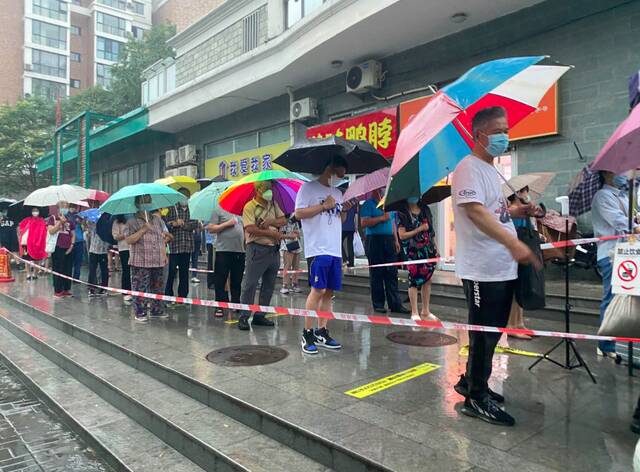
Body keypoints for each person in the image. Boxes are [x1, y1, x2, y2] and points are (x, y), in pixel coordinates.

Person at [450, 106, 539, 427]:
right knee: (483, 333)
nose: (505, 136)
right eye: (499, 130)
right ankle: (476, 397)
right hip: (481, 269)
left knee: (492, 332)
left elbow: (494, 211)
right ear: (480, 135)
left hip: (501, 267)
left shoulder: (490, 169)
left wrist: (518, 213)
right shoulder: (467, 168)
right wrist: (513, 243)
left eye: (506, 129)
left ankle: (473, 382)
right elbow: (474, 212)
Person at [295, 156, 351, 354]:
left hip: (334, 249)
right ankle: (307, 333)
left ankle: (322, 331)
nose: (345, 171)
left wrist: (344, 210)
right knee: (317, 290)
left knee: (329, 292)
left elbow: (339, 219)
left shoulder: (337, 192)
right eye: (343, 167)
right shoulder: (308, 188)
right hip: (317, 248)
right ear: (332, 166)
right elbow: (299, 214)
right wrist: (322, 206)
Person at [592, 171, 640, 358]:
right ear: (606, 173)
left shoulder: (623, 195)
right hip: (611, 254)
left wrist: (636, 219)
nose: (623, 174)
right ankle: (605, 345)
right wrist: (635, 225)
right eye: (619, 171)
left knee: (627, 295)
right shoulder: (602, 196)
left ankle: (622, 338)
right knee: (610, 297)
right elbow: (620, 222)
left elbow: (631, 220)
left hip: (627, 254)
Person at [238, 180, 293, 330]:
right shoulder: (250, 207)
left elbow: (283, 220)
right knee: (250, 284)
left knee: (269, 285)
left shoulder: (273, 204)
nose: (269, 192)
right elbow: (250, 228)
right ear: (258, 190)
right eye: (266, 189)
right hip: (257, 249)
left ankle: (260, 315)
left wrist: (271, 221)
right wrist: (270, 232)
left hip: (273, 250)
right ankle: (244, 316)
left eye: (270, 189)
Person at [505, 186, 546, 340]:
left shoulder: (524, 211)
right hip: (515, 254)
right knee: (515, 290)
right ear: (516, 194)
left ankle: (520, 323)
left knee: (523, 287)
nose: (527, 195)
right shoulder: (512, 211)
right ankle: (511, 325)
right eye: (524, 191)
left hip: (526, 251)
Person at [360, 189, 409, 314]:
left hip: (389, 239)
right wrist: (381, 218)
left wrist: (396, 240)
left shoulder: (389, 205)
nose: (382, 192)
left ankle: (395, 304)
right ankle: (378, 303)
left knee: (392, 272)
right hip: (374, 240)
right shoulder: (368, 204)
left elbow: (392, 222)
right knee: (377, 273)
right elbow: (364, 222)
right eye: (380, 189)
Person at [125, 195, 170, 322]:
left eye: (149, 201)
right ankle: (140, 312)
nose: (147, 204)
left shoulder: (157, 220)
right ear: (138, 204)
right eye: (144, 201)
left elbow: (161, 239)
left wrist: (164, 254)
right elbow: (129, 240)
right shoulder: (131, 222)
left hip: (157, 260)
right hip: (140, 261)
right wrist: (143, 229)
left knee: (158, 287)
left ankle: (157, 310)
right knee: (140, 287)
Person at [397, 196, 439, 321]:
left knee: (428, 279)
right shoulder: (403, 213)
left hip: (428, 249)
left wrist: (436, 248)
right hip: (412, 251)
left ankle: (425, 310)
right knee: (413, 280)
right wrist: (419, 229)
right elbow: (402, 235)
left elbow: (432, 232)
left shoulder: (425, 209)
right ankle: (414, 311)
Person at [207, 206, 244, 318]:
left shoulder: (240, 211)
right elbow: (211, 228)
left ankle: (236, 303)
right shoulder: (218, 210)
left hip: (239, 250)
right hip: (223, 250)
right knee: (220, 280)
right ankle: (219, 305)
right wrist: (227, 224)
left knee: (237, 280)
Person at [164, 188, 198, 300]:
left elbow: (194, 225)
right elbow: (165, 225)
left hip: (187, 246)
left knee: (184, 272)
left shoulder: (192, 209)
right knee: (172, 271)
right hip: (174, 246)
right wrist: (173, 224)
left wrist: (182, 225)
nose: (184, 199)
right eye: (182, 196)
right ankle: (168, 294)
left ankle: (183, 296)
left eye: (186, 197)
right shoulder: (171, 208)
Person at [47, 201, 76, 298]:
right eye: (62, 207)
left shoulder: (69, 220)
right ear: (58, 208)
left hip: (68, 248)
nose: (65, 208)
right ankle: (58, 289)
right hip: (57, 247)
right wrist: (60, 222)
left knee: (67, 269)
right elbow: (51, 231)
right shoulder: (53, 218)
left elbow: (73, 234)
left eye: (66, 207)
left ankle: (66, 289)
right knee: (58, 268)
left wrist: (71, 245)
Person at [17, 208, 47, 279]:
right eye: (33, 210)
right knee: (26, 259)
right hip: (26, 243)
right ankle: (28, 274)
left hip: (37, 243)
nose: (35, 212)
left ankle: (35, 274)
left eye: (36, 211)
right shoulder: (27, 220)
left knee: (37, 259)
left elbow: (43, 231)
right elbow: (21, 228)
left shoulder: (42, 220)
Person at [280, 214, 303, 294]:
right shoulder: (283, 220)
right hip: (287, 245)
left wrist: (297, 233)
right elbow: (280, 234)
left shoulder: (297, 220)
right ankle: (285, 285)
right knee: (287, 265)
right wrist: (290, 235)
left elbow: (299, 232)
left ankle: (295, 284)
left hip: (297, 244)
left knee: (296, 266)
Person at [87, 220, 109, 297]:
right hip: (93, 250)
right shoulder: (92, 224)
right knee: (92, 270)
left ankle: (104, 288)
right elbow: (88, 229)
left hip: (103, 251)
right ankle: (91, 288)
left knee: (104, 270)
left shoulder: (107, 225)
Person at [112, 214, 132, 302]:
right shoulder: (116, 222)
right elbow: (115, 236)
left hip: (133, 248)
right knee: (126, 269)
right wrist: (125, 234)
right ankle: (126, 291)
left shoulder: (132, 220)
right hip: (124, 248)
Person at [68, 204, 85, 281]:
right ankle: (68, 277)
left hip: (80, 241)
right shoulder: (66, 216)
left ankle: (76, 278)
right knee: (69, 261)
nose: (73, 209)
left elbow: (85, 227)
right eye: (71, 207)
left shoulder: (79, 215)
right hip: (70, 241)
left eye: (74, 207)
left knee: (78, 261)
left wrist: (81, 222)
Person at [341, 202, 357, 267]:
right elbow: (356, 215)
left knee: (338, 243)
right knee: (350, 245)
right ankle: (351, 262)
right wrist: (356, 226)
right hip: (351, 227)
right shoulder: (354, 203)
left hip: (343, 227)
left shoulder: (343, 202)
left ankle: (345, 259)